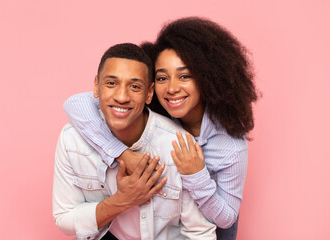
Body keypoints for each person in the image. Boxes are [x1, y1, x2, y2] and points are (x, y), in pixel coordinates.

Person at [64, 17, 258, 240]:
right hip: (164, 220)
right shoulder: (153, 105)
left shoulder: (230, 144)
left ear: (207, 78)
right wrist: (122, 153)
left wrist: (196, 176)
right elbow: (76, 104)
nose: (172, 88)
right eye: (163, 77)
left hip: (212, 224)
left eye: (184, 76)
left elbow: (227, 219)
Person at [53, 43, 217, 240]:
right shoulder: (72, 140)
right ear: (96, 86)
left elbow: (200, 233)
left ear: (149, 93)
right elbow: (64, 219)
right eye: (111, 83)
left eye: (135, 87)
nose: (122, 97)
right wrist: (122, 201)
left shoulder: (178, 146)